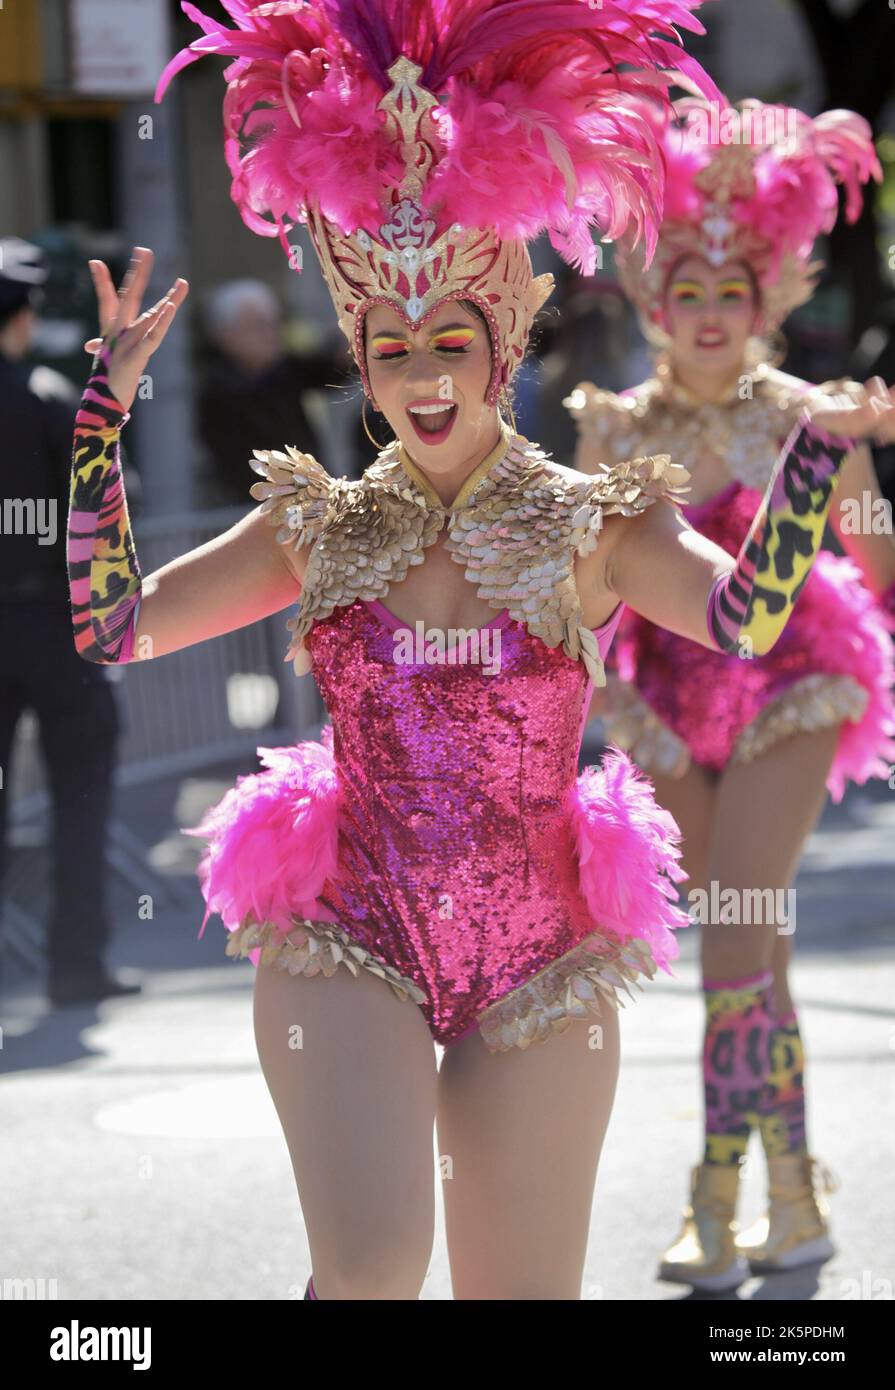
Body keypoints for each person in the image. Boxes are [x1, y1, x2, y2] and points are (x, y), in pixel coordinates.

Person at [67, 3, 893, 1301]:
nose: (419, 372)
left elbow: (744, 615)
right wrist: (99, 418)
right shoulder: (312, 523)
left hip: (543, 954)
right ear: (359, 359)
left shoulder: (594, 519)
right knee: (375, 1265)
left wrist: (803, 467)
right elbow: (113, 621)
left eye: (446, 338)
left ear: (502, 339)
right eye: (388, 349)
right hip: (351, 932)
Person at [565, 97, 895, 1291]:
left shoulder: (810, 420)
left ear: (762, 307)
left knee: (733, 941)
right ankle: (796, 1198)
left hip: (794, 693)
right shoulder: (606, 431)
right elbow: (586, 590)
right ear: (654, 308)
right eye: (685, 293)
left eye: (728, 294)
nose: (706, 314)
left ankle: (712, 1204)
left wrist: (860, 477)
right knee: (748, 948)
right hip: (658, 708)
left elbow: (877, 567)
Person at [0, 236, 141, 1006]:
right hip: (55, 627)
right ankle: (76, 966)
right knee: (80, 796)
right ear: (20, 317)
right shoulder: (52, 398)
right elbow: (109, 505)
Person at [197, 279, 347, 507]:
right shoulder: (216, 389)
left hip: (309, 498)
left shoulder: (284, 369)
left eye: (273, 323)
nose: (270, 333)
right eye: (257, 325)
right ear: (226, 335)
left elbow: (334, 369)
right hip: (249, 508)